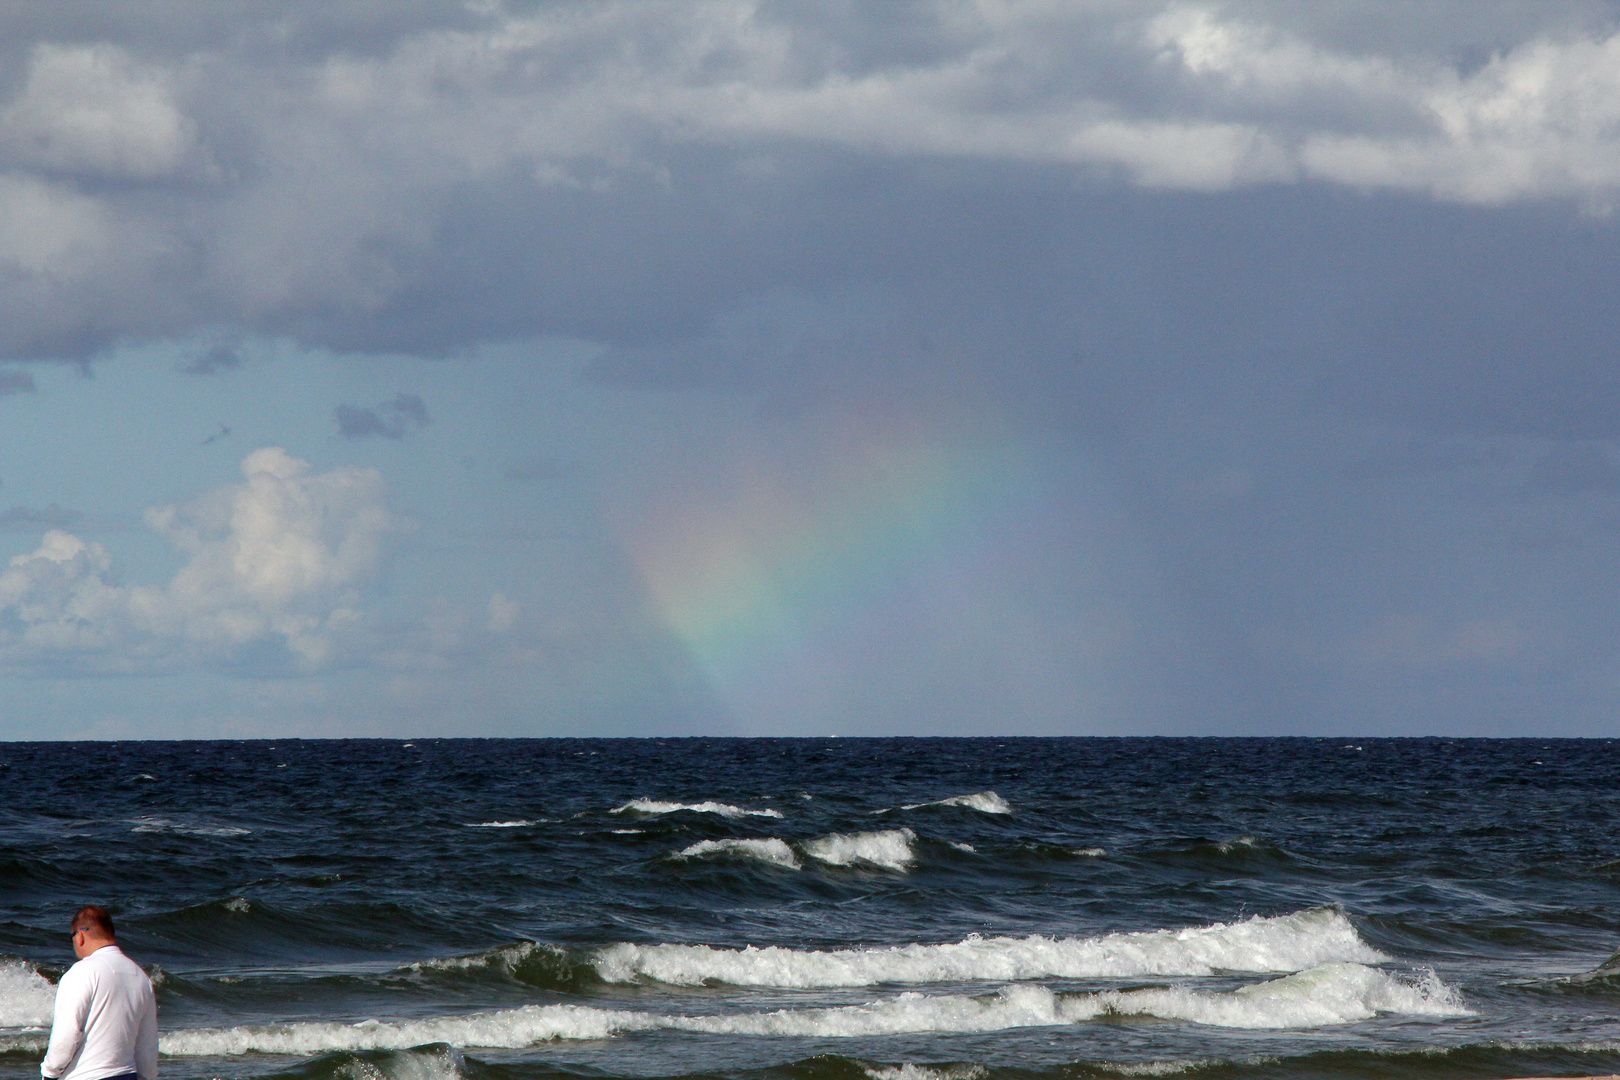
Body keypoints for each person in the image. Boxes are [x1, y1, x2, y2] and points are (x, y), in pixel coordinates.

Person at [41, 907, 157, 1080]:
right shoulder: (141, 977)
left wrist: (49, 1073)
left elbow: (66, 1036)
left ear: (80, 936)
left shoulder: (82, 971)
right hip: (126, 1076)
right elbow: (147, 1046)